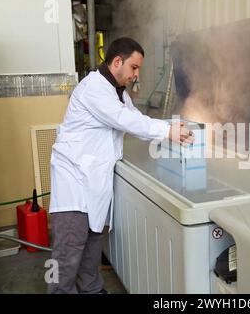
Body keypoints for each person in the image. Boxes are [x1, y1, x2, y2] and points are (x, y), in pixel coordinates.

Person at [47, 37, 194, 294]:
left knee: (92, 242)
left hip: (92, 181)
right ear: (117, 61)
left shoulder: (119, 94)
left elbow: (135, 119)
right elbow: (124, 120)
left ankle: (92, 289)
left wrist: (169, 130)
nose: (136, 74)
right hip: (74, 181)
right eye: (134, 68)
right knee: (69, 250)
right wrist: (167, 130)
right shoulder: (93, 88)